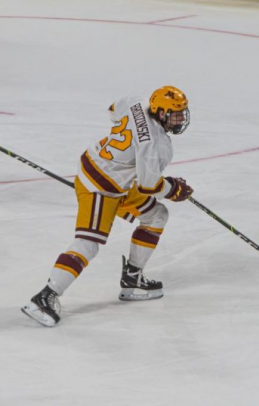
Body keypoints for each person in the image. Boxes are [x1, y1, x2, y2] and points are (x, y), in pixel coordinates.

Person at [22, 86, 194, 327]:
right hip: (100, 187)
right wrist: (173, 189)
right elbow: (148, 185)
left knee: (156, 214)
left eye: (182, 113)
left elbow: (113, 110)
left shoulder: (137, 102)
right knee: (88, 244)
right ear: (162, 113)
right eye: (175, 114)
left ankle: (133, 277)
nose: (180, 119)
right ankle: (45, 296)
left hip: (109, 175)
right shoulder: (157, 145)